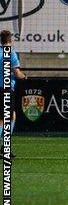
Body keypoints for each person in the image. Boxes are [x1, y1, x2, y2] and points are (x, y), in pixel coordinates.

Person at [1, 30, 27, 159]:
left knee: (11, 116)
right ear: (10, 40)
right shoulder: (11, 54)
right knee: (6, 119)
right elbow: (17, 74)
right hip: (5, 89)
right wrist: (24, 76)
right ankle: (4, 149)